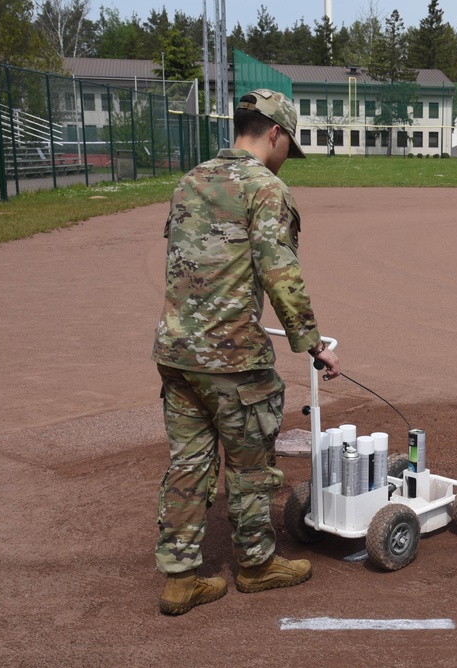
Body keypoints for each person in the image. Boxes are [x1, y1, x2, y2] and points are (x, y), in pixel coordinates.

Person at [152, 89, 341, 615]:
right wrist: (312, 344)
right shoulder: (266, 188)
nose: (287, 159)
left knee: (187, 464)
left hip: (177, 352)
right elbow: (279, 273)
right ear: (275, 133)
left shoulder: (189, 181)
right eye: (289, 145)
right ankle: (256, 565)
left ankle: (181, 578)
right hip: (233, 359)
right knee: (251, 464)